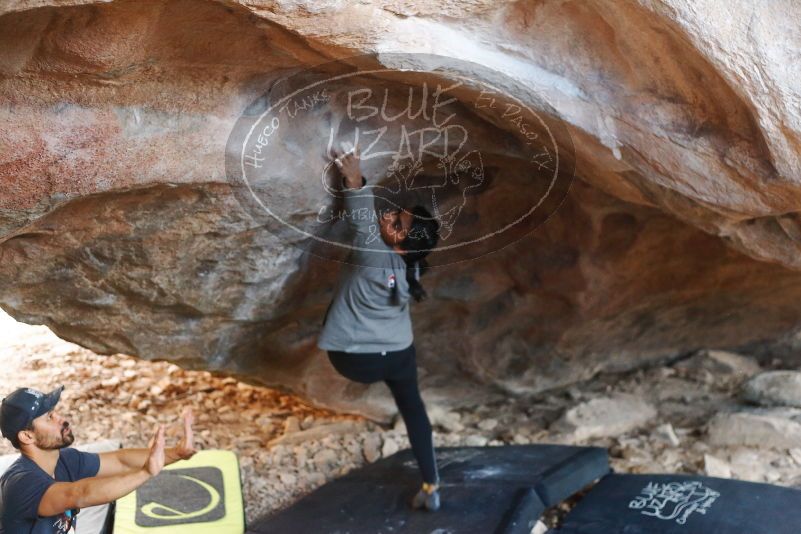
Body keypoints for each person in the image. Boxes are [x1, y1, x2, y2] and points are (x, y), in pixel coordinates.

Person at [317, 143, 442, 511]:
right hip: (397, 353)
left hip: (356, 360)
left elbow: (362, 219)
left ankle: (431, 485)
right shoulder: (414, 266)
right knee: (412, 407)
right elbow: (372, 225)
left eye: (396, 222)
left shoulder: (374, 256)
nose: (388, 217)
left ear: (402, 240)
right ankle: (432, 485)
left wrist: (354, 175)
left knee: (408, 402)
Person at [0, 385, 196, 533]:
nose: (62, 419)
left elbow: (121, 461)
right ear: (27, 436)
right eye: (49, 417)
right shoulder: (20, 483)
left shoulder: (66, 460)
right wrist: (145, 472)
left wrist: (176, 453)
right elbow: (78, 494)